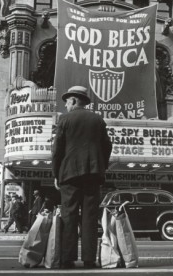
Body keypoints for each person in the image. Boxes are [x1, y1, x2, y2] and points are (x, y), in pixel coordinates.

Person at [52, 85, 112, 269]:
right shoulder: (97, 120)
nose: (66, 105)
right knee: (89, 217)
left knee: (68, 215)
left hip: (69, 175)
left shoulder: (64, 119)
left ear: (73, 100)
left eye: (67, 102)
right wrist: (100, 165)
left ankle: (67, 258)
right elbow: (107, 146)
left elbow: (56, 150)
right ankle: (89, 259)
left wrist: (56, 173)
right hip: (93, 175)